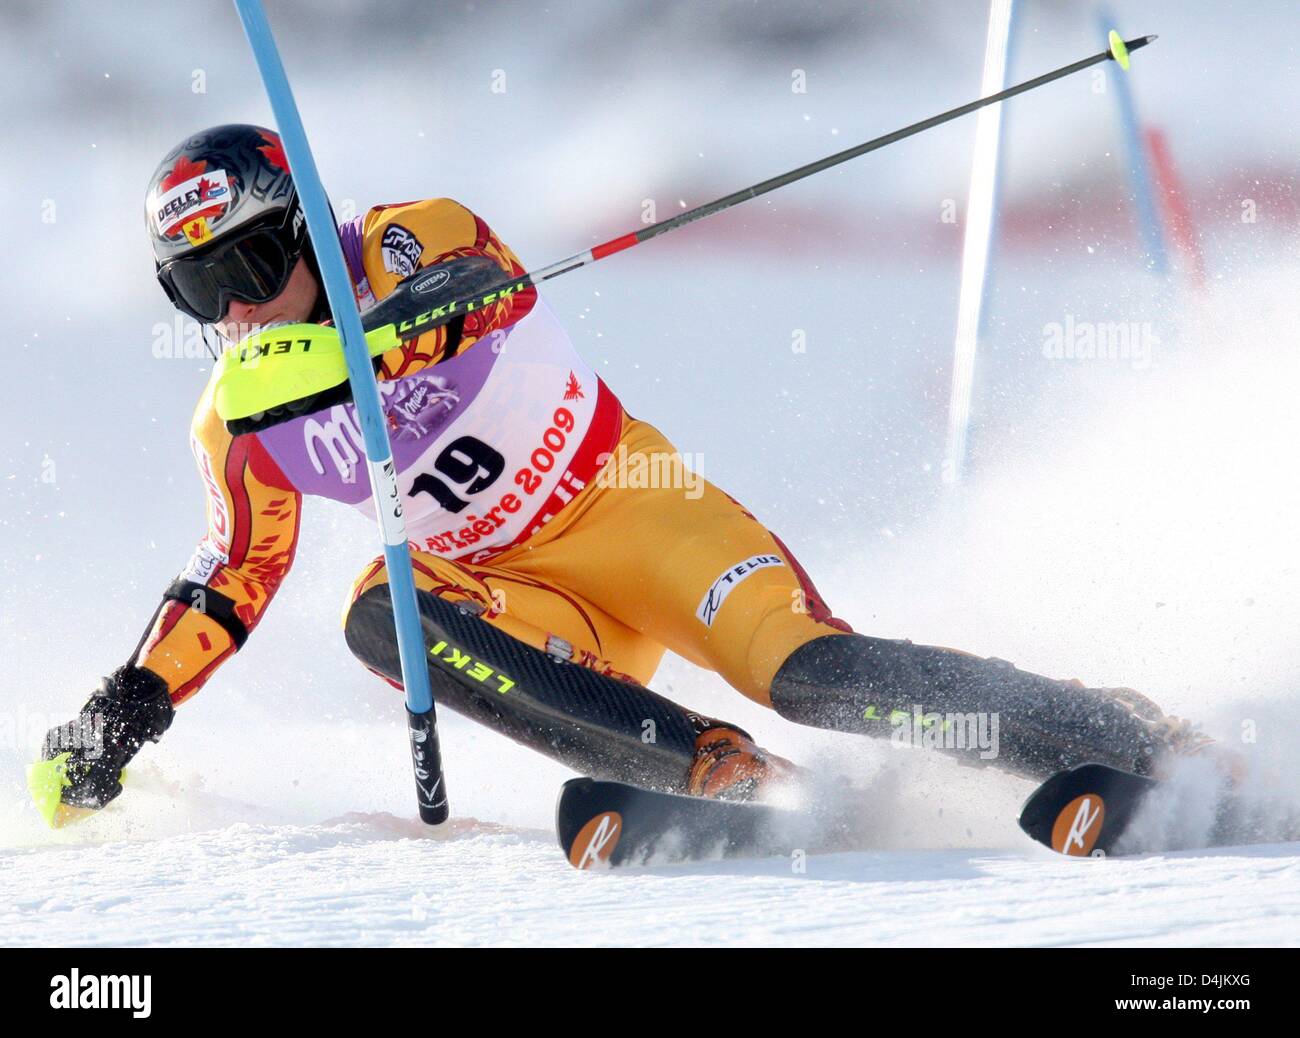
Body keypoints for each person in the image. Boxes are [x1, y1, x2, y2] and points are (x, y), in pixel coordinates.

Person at [36, 124, 1210, 826]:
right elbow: (231, 578)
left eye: (245, 263)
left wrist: (351, 354)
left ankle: (1118, 733)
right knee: (381, 618)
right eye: (197, 290)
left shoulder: (399, 239)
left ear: (301, 231)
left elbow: (471, 292)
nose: (235, 309)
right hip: (519, 597)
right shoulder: (238, 426)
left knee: (808, 674)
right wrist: (124, 713)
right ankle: (716, 775)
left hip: (637, 512)